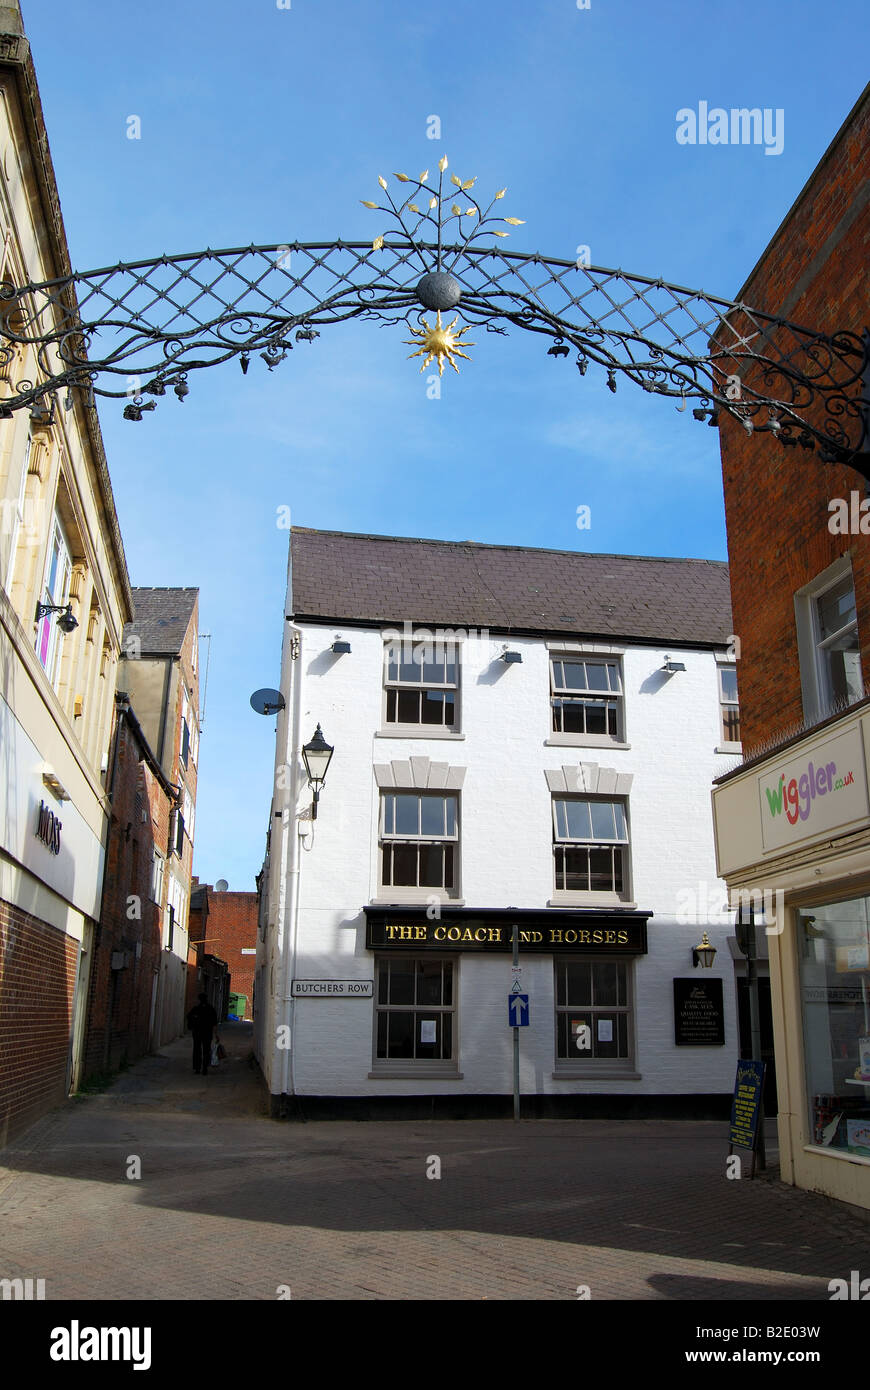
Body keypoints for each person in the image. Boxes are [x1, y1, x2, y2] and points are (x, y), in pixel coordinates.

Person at [187, 992, 218, 1075]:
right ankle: (205, 1068)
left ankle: (197, 1068)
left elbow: (189, 1017)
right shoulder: (210, 1009)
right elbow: (215, 1022)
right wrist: (216, 1034)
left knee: (197, 1050)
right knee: (206, 1050)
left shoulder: (196, 1009)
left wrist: (192, 1026)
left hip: (197, 1033)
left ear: (199, 999)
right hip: (207, 1033)